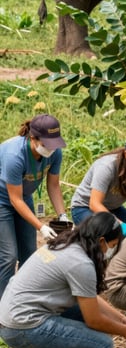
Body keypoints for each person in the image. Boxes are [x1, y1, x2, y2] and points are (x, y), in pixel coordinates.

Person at [0, 212, 126, 348]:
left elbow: (89, 297)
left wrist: (122, 319)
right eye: (113, 245)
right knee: (102, 346)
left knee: (83, 312)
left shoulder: (69, 243)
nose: (111, 251)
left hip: (12, 316)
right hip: (22, 327)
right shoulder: (81, 264)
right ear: (101, 241)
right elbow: (94, 319)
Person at [0, 114, 68, 298]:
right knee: (8, 257)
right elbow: (15, 200)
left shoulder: (54, 153)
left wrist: (62, 215)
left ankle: (22, 298)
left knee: (29, 254)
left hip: (24, 196)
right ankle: (2, 305)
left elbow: (53, 185)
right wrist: (41, 226)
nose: (51, 149)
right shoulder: (15, 155)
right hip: (3, 201)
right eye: (47, 144)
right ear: (33, 138)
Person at [70, 134, 126, 230]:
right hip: (85, 207)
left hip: (113, 208)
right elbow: (94, 203)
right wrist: (119, 224)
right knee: (108, 232)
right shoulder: (106, 167)